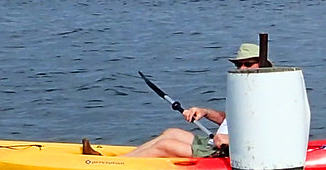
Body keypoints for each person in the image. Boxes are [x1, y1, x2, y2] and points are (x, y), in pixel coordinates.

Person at [101, 42, 271, 159]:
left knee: (166, 145)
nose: (241, 69)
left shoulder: (270, 95)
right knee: (171, 133)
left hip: (228, 152)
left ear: (262, 66)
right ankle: (120, 160)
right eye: (238, 65)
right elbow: (230, 119)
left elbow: (269, 133)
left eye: (248, 65)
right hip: (215, 143)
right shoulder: (245, 90)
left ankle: (113, 167)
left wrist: (232, 141)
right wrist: (205, 112)